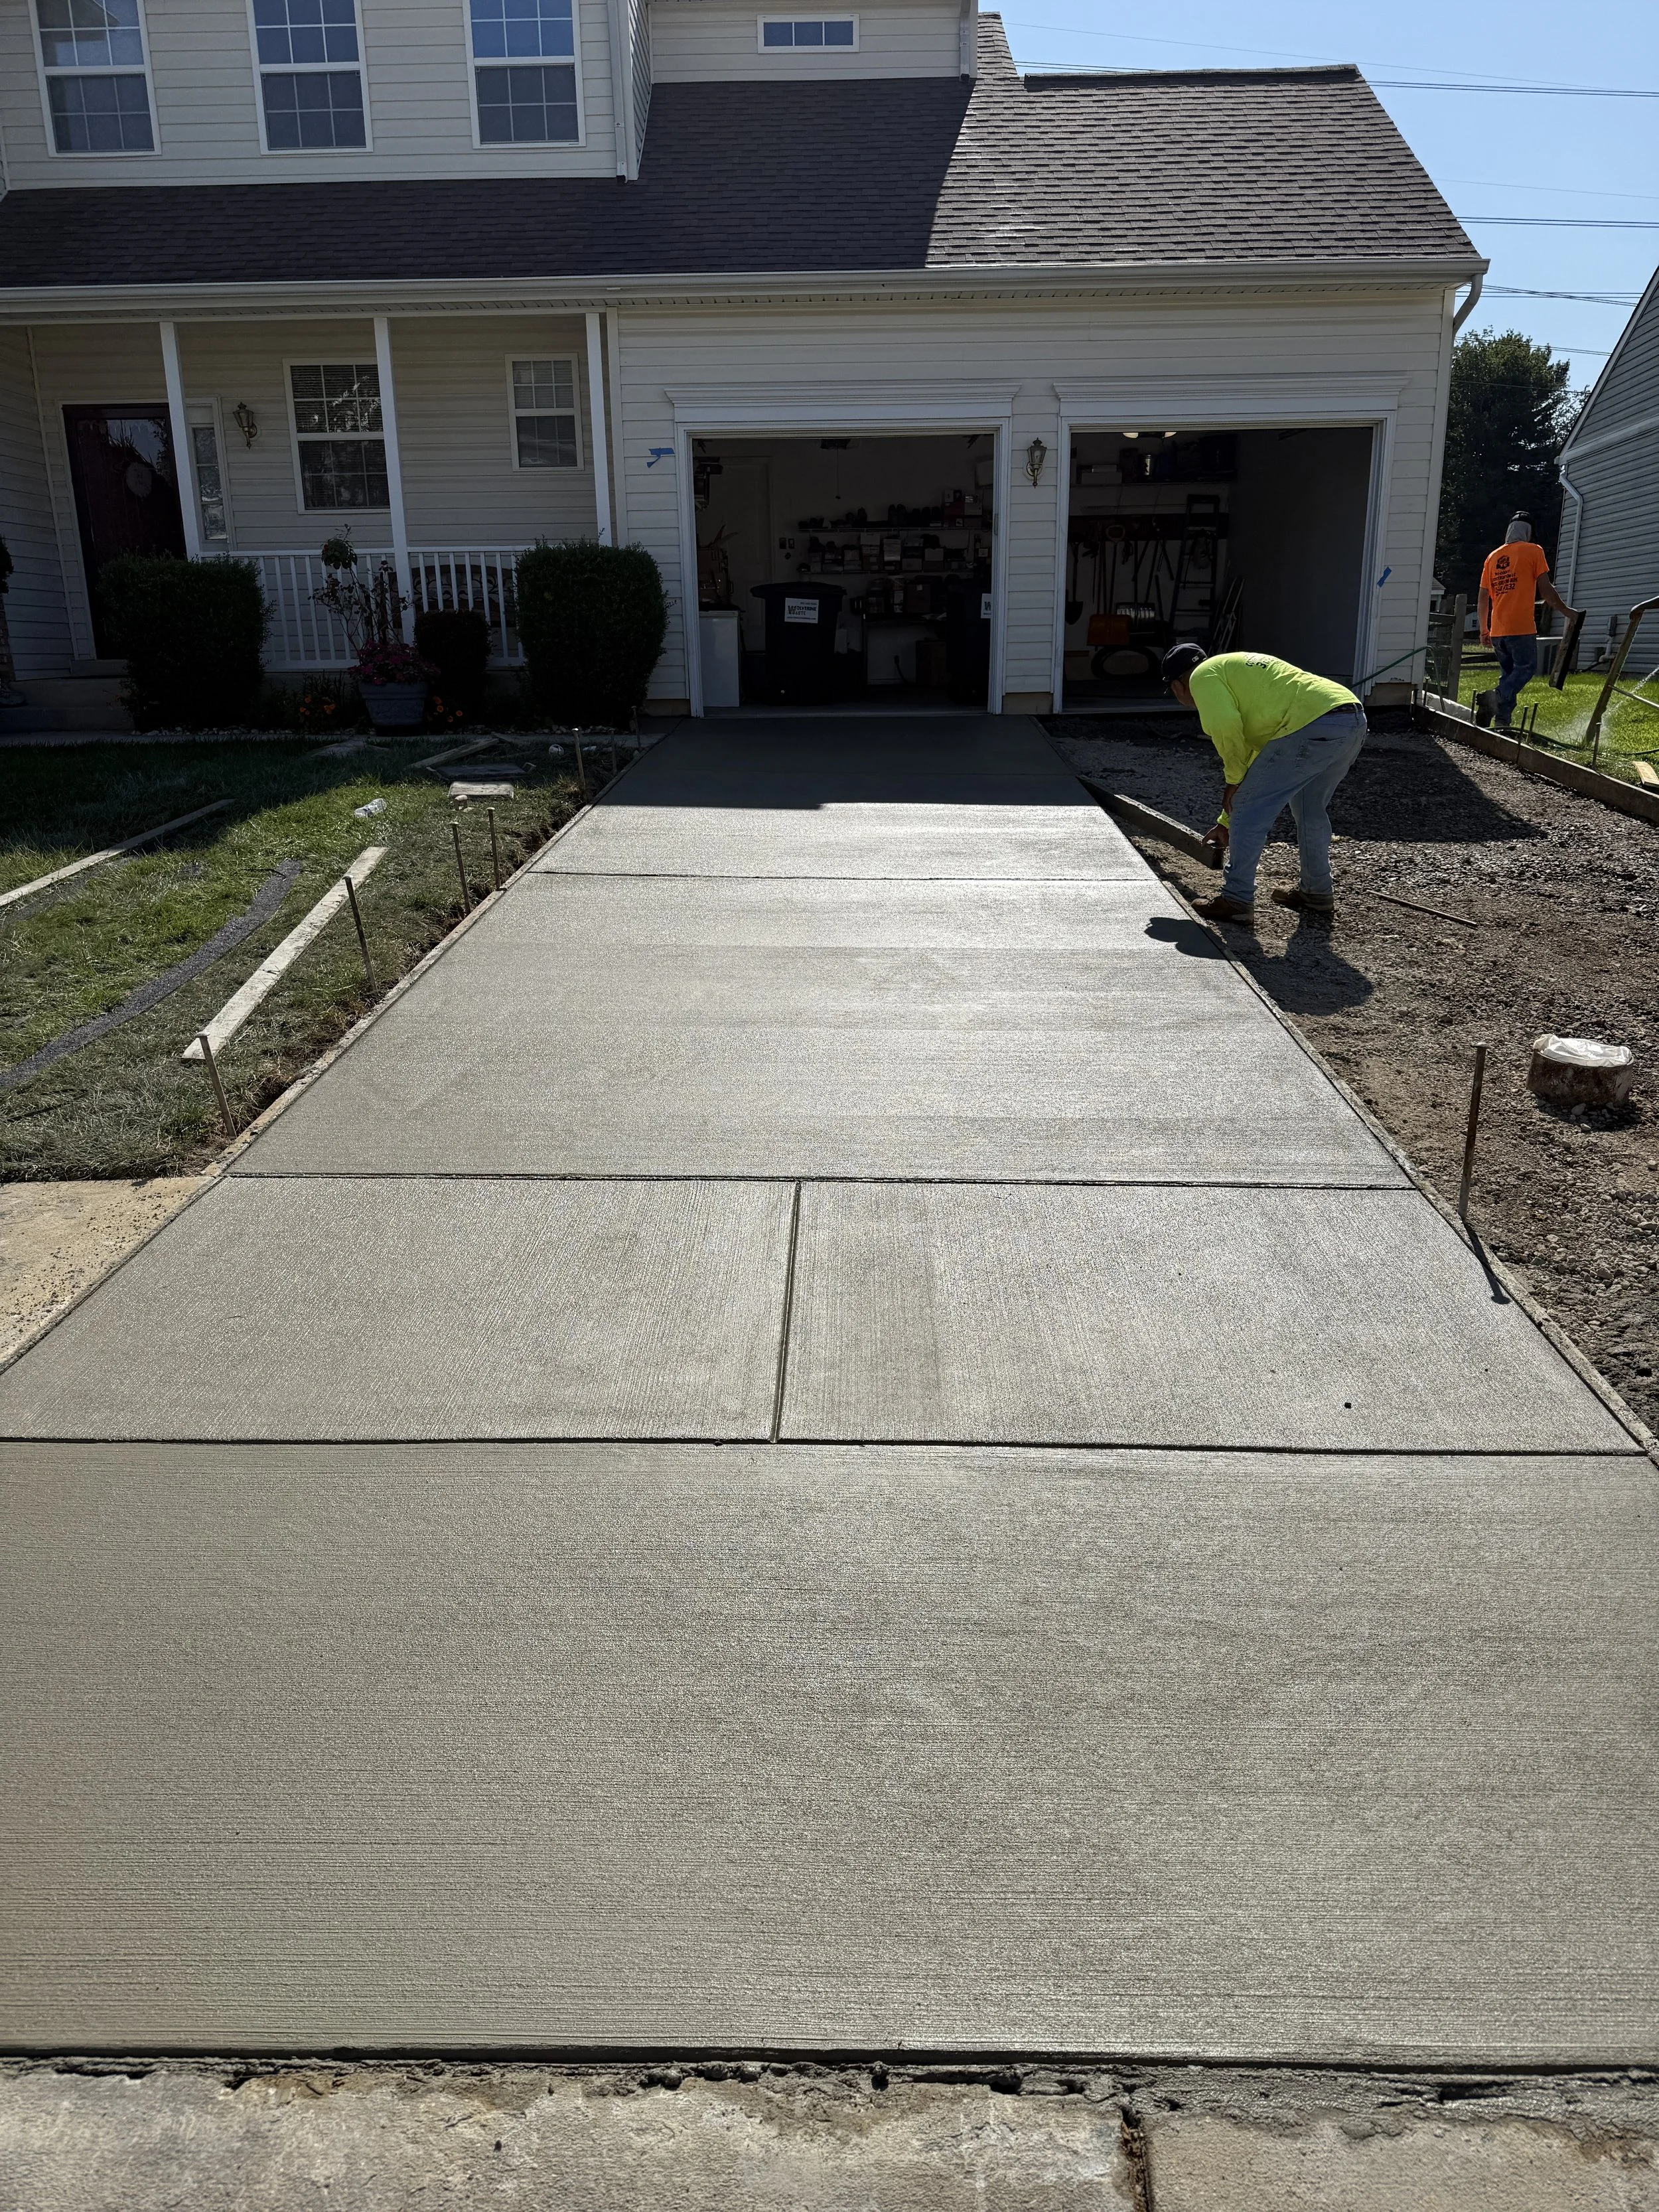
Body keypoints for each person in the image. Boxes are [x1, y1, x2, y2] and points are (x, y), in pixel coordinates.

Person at [1161, 643, 1368, 926]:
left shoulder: (1202, 677)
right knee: (1310, 810)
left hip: (1310, 723)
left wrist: (1233, 781)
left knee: (1250, 812)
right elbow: (1260, 764)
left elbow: (1225, 726)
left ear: (1177, 686)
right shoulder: (1234, 671)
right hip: (1350, 718)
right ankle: (1317, 892)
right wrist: (1224, 821)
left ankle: (1236, 900)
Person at [1474, 513, 1576, 732]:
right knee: (1526, 669)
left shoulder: (1492, 557)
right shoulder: (1533, 551)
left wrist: (1484, 629)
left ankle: (1502, 723)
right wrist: (1567, 612)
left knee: (1508, 676)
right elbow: (1546, 590)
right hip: (1520, 629)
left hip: (1498, 632)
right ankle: (1496, 697)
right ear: (1528, 532)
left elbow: (1483, 597)